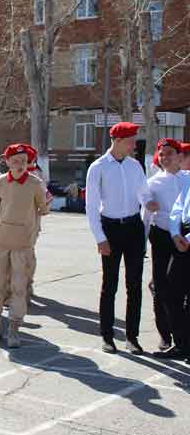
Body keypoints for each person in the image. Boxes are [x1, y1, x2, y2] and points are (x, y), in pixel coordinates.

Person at [85, 122, 148, 354]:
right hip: (110, 228)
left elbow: (143, 192)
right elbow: (91, 207)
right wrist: (100, 237)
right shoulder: (98, 167)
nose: (134, 145)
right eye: (131, 141)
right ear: (118, 141)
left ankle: (132, 337)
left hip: (133, 228)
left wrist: (149, 202)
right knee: (109, 284)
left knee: (134, 285)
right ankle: (107, 337)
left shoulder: (134, 166)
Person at [0, 144, 49, 347]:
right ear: (7, 162)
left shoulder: (35, 183)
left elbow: (43, 207)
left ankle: (14, 329)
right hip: (1, 240)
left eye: (24, 162)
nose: (20, 165)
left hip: (23, 242)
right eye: (16, 161)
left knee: (18, 286)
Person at [142, 138, 189, 357]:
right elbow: (146, 214)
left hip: (183, 239)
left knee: (177, 289)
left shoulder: (187, 179)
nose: (165, 157)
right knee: (160, 288)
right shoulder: (152, 183)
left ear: (180, 157)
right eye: (161, 154)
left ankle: (182, 339)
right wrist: (142, 243)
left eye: (170, 153)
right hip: (161, 238)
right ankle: (166, 336)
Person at [165, 171, 190, 363]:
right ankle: (182, 344)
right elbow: (178, 208)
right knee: (171, 291)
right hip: (182, 237)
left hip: (188, 239)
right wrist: (175, 234)